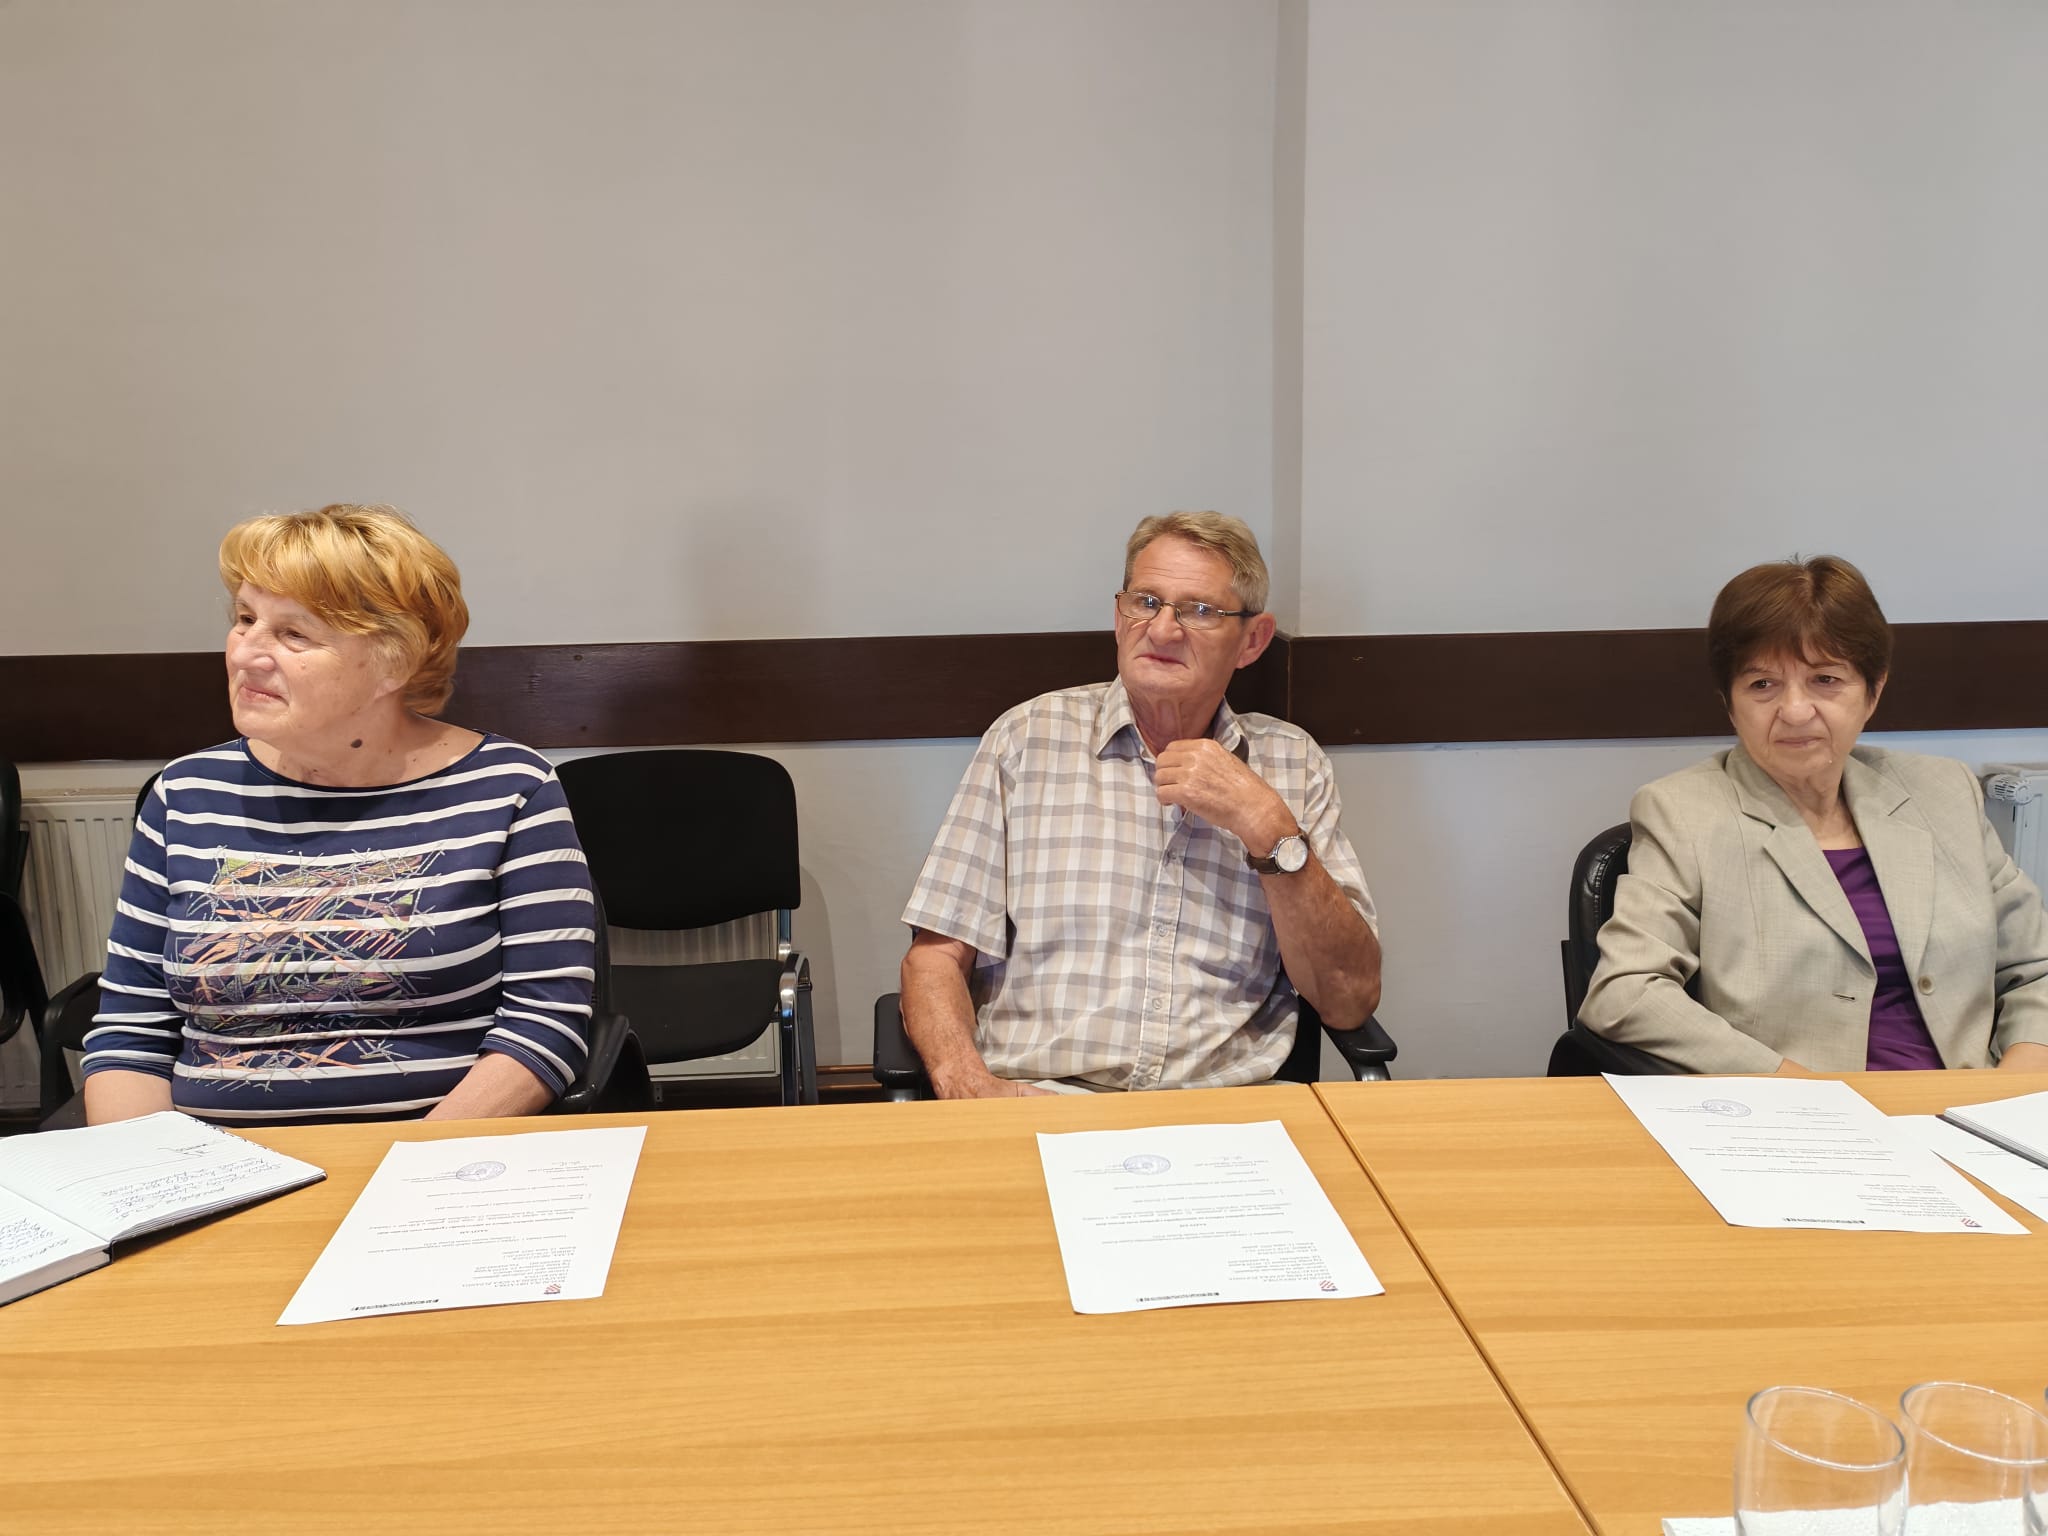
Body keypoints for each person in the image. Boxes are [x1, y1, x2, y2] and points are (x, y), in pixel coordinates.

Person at [82, 504, 596, 1123]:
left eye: (293, 634)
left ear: (393, 662)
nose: (246, 654)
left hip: (436, 1157)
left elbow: (544, 1024)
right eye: (245, 619)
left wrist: (411, 1162)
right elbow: (131, 1035)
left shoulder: (509, 787)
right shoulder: (185, 792)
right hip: (210, 1158)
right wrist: (154, 1170)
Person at [899, 512, 1381, 1097]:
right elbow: (934, 958)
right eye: (1146, 602)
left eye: (1199, 610)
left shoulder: (1292, 762)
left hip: (1226, 1111)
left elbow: (1348, 999)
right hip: (1041, 1099)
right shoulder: (1026, 740)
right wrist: (969, 1086)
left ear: (1252, 640)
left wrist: (1268, 827)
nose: (1163, 630)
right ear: (1119, 616)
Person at [1581, 555, 2048, 1074]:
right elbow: (1626, 992)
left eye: (1825, 679)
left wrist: (2017, 1079)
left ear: (1873, 692)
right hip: (1800, 1111)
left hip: (1968, 1103)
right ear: (1730, 703)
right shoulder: (1683, 812)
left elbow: (2036, 969)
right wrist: (1789, 1083)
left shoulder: (1943, 793)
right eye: (1762, 685)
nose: (1796, 710)